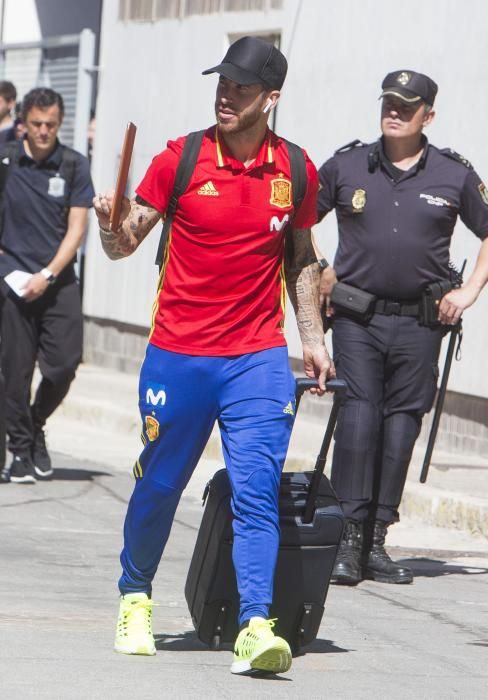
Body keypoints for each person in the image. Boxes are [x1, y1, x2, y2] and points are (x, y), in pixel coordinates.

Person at [93, 36, 334, 675]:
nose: (227, 96)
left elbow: (302, 259)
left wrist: (312, 339)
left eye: (242, 88)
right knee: (163, 482)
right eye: (222, 84)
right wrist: (110, 227)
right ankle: (135, 595)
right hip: (179, 353)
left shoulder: (297, 170)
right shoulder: (181, 158)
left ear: (271, 98)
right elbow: (124, 243)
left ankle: (255, 625)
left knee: (255, 489)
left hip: (256, 356)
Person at [317, 70, 488, 586]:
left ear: (427, 116)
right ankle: (346, 536)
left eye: (406, 106)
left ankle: (376, 540)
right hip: (357, 318)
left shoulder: (454, 175)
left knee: (400, 426)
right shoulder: (346, 164)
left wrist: (470, 290)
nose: (394, 111)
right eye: (389, 102)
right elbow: (297, 219)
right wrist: (321, 266)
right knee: (359, 417)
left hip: (421, 321)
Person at [0, 87, 95, 484]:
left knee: (63, 366)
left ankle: (36, 424)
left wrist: (48, 275)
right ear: (23, 121)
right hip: (11, 281)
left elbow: (77, 228)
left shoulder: (73, 165)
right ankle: (20, 449)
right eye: (37, 124)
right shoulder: (6, 160)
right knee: (15, 373)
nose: (43, 131)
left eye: (51, 125)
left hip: (57, 281)